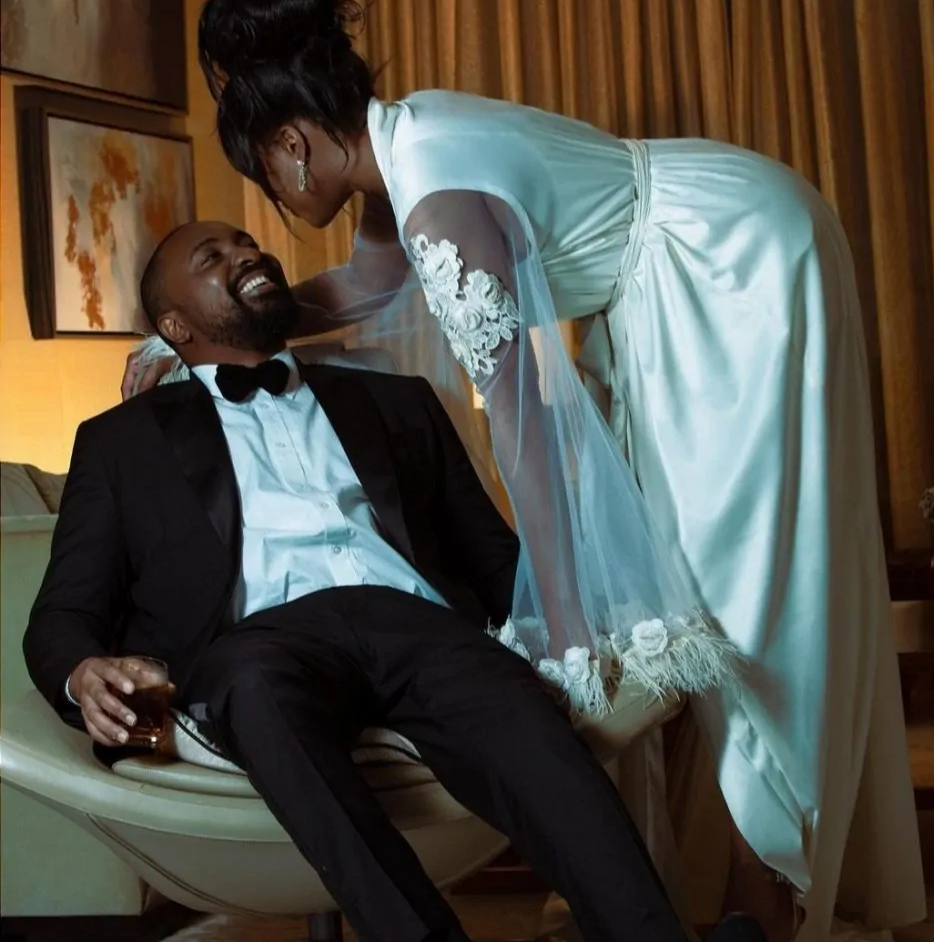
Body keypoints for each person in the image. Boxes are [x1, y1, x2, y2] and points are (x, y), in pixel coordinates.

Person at [123, 0, 926, 942]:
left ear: (289, 145)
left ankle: (775, 890)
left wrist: (565, 621)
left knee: (743, 569)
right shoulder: (403, 143)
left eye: (265, 177)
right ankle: (720, 879)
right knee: (685, 564)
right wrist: (183, 341)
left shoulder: (436, 200)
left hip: (726, 260)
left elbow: (526, 429)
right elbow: (363, 290)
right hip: (661, 285)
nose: (275, 211)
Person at [24, 219, 767, 942]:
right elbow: (63, 614)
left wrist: (585, 620)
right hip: (260, 646)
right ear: (174, 326)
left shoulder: (397, 402)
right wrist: (81, 671)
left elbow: (492, 558)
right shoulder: (121, 443)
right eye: (211, 256)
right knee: (256, 690)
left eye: (245, 240)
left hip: (422, 628)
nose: (244, 253)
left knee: (522, 717)